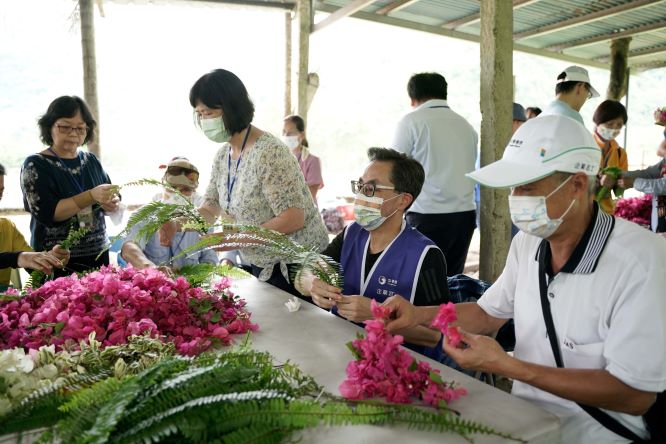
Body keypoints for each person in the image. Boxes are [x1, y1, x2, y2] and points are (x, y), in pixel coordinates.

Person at [384, 115, 666, 443]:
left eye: (528, 187)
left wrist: (509, 366)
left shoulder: (641, 262)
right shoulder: (529, 243)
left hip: (596, 435)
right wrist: (417, 315)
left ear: (577, 184)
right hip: (526, 423)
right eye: (513, 187)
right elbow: (487, 314)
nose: (516, 198)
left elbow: (634, 396)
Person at [161, 69, 329, 296]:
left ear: (231, 107)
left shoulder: (269, 152)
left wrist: (236, 238)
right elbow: (210, 208)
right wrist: (178, 223)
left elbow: (293, 218)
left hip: (299, 266)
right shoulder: (223, 156)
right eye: (199, 114)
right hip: (262, 263)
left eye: (208, 113)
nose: (204, 121)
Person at [296, 147, 450, 356]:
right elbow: (308, 269)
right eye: (360, 186)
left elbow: (437, 335)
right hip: (339, 348)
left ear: (403, 200)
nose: (360, 195)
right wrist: (311, 283)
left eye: (370, 189)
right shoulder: (352, 234)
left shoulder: (425, 255)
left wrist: (379, 315)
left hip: (395, 363)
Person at [20, 96, 119, 277]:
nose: (74, 133)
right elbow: (49, 213)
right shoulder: (36, 164)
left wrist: (112, 202)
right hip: (57, 258)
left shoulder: (91, 160)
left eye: (80, 128)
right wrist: (91, 196)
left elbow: (110, 191)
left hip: (98, 255)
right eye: (65, 127)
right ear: (49, 126)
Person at [392, 72, 478, 276]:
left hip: (427, 215)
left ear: (412, 98)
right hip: (464, 215)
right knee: (452, 280)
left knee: (420, 280)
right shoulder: (466, 126)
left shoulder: (411, 122)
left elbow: (393, 168)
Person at [121, 157, 218, 271]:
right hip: (154, 280)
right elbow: (129, 248)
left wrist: (198, 277)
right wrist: (150, 268)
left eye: (185, 190)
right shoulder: (143, 215)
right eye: (172, 188)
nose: (177, 194)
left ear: (194, 191)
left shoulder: (203, 220)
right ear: (162, 184)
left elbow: (209, 259)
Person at [0, 163, 69, 287]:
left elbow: (34, 267)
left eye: (0, 192)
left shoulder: (6, 227)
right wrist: (17, 258)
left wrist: (50, 260)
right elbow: (21, 258)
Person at [604, 132, 666, 233]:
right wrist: (618, 175)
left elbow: (662, 186)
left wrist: (634, 183)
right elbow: (649, 173)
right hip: (659, 217)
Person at [592, 100, 629, 214]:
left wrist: (616, 184)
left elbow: (619, 190)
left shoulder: (620, 153)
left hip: (607, 213)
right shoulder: (584, 146)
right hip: (582, 211)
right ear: (598, 122)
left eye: (619, 125)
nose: (614, 129)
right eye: (610, 124)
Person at [282, 115, 324, 204]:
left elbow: (310, 195)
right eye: (284, 132)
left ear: (301, 135)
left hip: (305, 211)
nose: (286, 136)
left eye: (290, 133)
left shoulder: (312, 161)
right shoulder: (279, 159)